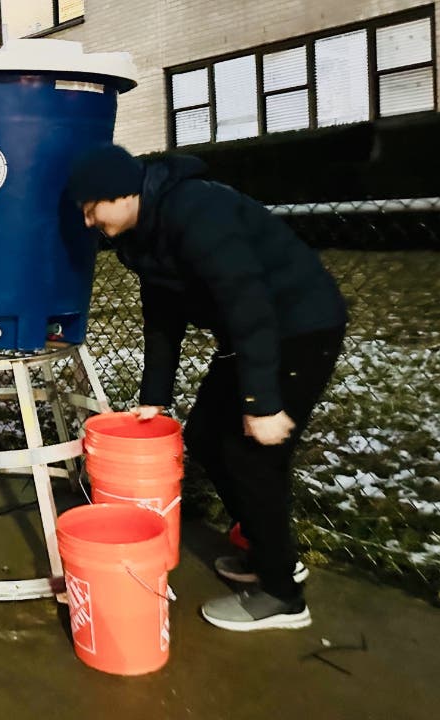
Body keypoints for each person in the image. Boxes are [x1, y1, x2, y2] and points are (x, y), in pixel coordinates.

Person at [66, 144, 347, 632]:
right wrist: (155, 396)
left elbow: (247, 302)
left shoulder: (197, 210)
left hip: (299, 328)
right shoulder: (141, 233)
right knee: (205, 437)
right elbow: (163, 314)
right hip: (251, 335)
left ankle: (282, 596)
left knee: (251, 456)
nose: (88, 222)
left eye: (92, 209)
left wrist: (262, 403)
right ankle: (270, 553)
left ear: (122, 194)